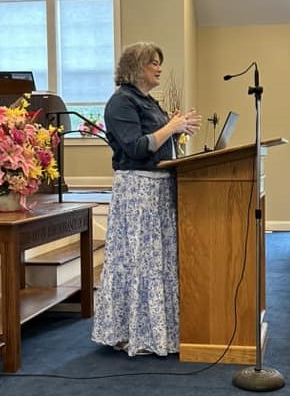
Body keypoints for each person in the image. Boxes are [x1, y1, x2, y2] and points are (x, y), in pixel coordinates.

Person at [91, 42, 202, 357]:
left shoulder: (148, 101)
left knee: (157, 261)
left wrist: (178, 128)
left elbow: (159, 140)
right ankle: (133, 334)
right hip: (138, 191)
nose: (159, 68)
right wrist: (171, 126)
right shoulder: (121, 102)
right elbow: (137, 148)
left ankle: (160, 330)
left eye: (158, 62)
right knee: (140, 261)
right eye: (153, 63)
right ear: (136, 67)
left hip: (159, 189)